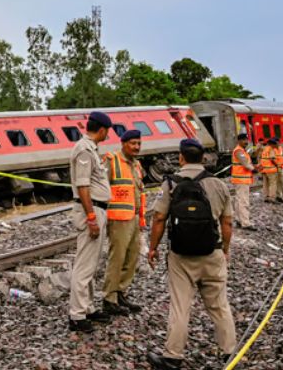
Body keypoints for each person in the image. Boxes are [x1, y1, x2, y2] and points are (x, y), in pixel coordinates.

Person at [146, 138, 236, 369]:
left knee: (180, 307)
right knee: (219, 305)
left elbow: (158, 219)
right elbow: (227, 222)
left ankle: (173, 356)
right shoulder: (219, 184)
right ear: (203, 158)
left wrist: (153, 248)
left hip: (181, 256)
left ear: (181, 157)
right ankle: (229, 353)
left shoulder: (171, 184)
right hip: (212, 252)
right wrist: (225, 249)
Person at [68, 111, 113, 331]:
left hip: (97, 208)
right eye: (108, 131)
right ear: (102, 130)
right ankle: (76, 315)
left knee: (91, 263)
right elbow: (83, 186)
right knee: (84, 265)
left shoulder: (92, 149)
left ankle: (88, 308)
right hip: (91, 209)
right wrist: (91, 217)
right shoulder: (84, 150)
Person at [102, 129, 147, 316]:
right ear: (123, 143)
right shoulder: (111, 161)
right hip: (118, 219)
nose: (136, 147)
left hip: (135, 218)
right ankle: (109, 299)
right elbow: (102, 189)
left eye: (138, 143)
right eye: (133, 143)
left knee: (132, 257)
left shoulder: (136, 165)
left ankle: (121, 292)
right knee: (117, 259)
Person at [229, 133, 256, 230]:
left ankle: (239, 220)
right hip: (241, 179)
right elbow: (245, 163)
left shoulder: (242, 150)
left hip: (241, 179)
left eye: (247, 140)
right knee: (243, 201)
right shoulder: (239, 151)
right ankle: (245, 223)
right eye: (244, 140)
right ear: (239, 141)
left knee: (239, 200)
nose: (246, 142)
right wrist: (253, 169)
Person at [259, 139, 281, 203]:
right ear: (272, 144)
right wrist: (276, 164)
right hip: (271, 169)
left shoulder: (264, 149)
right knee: (273, 184)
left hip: (264, 169)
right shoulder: (271, 149)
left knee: (266, 184)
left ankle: (266, 197)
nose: (275, 146)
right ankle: (272, 198)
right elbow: (272, 159)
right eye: (274, 144)